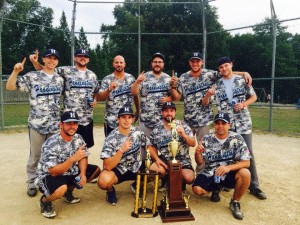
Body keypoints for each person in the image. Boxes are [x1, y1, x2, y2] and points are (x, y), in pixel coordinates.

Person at [6, 49, 64, 197]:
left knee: (53, 154)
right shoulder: (32, 77)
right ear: (43, 59)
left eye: (55, 58)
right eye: (49, 58)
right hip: (37, 124)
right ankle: (32, 183)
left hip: (54, 124)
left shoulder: (59, 79)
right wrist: (15, 71)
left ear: (57, 61)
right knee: (35, 155)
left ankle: (47, 180)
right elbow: (10, 86)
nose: (52, 61)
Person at [212, 57, 266, 200]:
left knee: (248, 152)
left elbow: (253, 97)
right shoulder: (217, 83)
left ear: (231, 65)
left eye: (226, 65)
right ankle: (227, 182)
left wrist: (243, 104)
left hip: (243, 122)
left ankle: (254, 185)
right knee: (228, 152)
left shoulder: (241, 80)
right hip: (227, 124)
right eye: (221, 67)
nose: (224, 69)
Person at [35, 111, 100, 218]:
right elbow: (54, 171)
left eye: (74, 123)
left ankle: (68, 192)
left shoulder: (78, 138)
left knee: (95, 170)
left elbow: (83, 156)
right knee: (61, 188)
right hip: (48, 176)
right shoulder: (51, 143)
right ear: (61, 125)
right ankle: (45, 201)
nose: (72, 126)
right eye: (68, 123)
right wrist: (72, 159)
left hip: (69, 171)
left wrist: (83, 174)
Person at [30, 49, 99, 149]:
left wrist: (95, 99)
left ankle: (82, 165)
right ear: (74, 58)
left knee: (84, 148)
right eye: (80, 55)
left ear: (88, 59)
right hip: (69, 118)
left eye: (85, 56)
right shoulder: (65, 71)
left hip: (86, 119)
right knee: (66, 147)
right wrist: (34, 62)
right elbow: (46, 71)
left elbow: (96, 91)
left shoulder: (92, 75)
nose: (83, 58)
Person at [192, 113, 251, 220]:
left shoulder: (237, 138)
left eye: (223, 123)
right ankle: (216, 188)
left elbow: (246, 162)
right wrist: (197, 153)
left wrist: (228, 168)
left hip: (229, 172)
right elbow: (200, 162)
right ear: (214, 125)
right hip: (211, 172)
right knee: (197, 190)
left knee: (245, 173)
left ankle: (235, 202)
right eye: (217, 123)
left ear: (229, 125)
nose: (220, 126)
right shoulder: (207, 138)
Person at [98, 107, 149, 206]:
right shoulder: (111, 137)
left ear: (133, 119)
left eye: (129, 117)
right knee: (103, 181)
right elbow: (107, 166)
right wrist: (121, 150)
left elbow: (149, 146)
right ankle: (110, 191)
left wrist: (157, 160)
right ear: (118, 119)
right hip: (119, 168)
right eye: (123, 117)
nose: (126, 120)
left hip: (136, 166)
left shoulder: (137, 132)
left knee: (160, 169)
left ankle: (137, 185)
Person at [147, 102, 196, 191]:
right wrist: (156, 159)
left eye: (171, 111)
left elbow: (193, 143)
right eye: (166, 111)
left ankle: (180, 183)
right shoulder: (157, 128)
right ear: (162, 112)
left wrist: (184, 135)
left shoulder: (182, 125)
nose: (169, 113)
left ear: (175, 112)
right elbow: (150, 146)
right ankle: (165, 178)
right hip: (165, 160)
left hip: (182, 160)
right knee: (153, 170)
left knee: (189, 177)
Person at [131, 52, 173, 138]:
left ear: (163, 64)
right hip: (145, 121)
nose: (157, 64)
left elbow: (176, 97)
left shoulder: (168, 79)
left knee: (163, 149)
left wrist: (169, 98)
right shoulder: (144, 77)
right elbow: (134, 93)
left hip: (163, 122)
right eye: (155, 61)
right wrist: (137, 82)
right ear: (152, 63)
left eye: (160, 62)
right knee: (144, 148)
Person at [97, 55, 139, 136]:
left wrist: (137, 110)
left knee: (127, 145)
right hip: (111, 121)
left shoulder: (130, 78)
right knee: (111, 146)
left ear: (124, 64)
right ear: (113, 64)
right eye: (116, 62)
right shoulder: (107, 79)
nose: (119, 64)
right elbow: (100, 98)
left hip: (127, 119)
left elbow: (135, 95)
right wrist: (109, 89)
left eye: (121, 62)